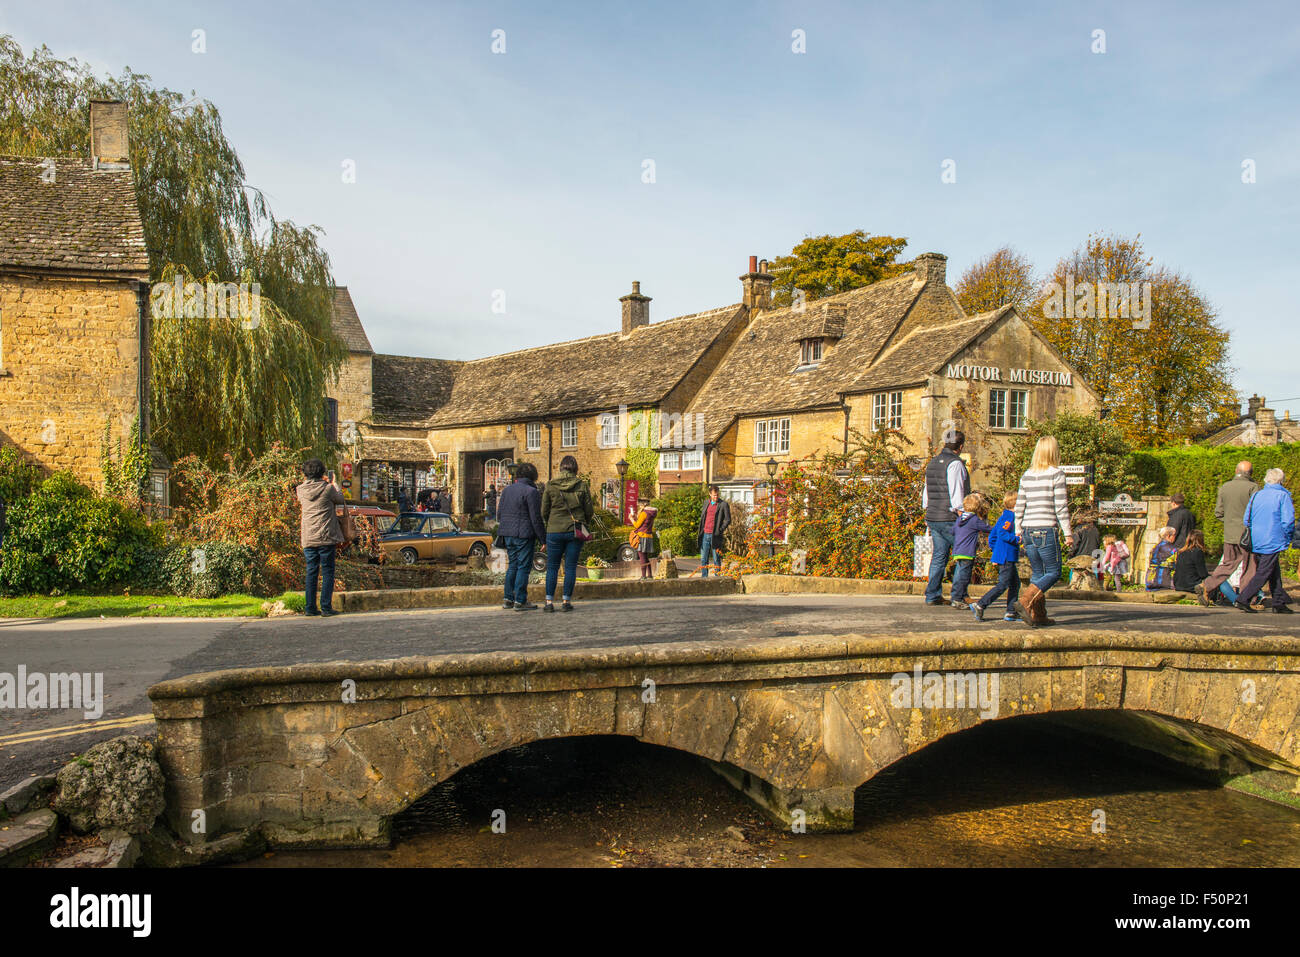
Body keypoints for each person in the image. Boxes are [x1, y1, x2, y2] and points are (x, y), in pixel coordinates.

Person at [1012, 435, 1073, 626]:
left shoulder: (1027, 475)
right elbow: (1061, 507)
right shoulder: (1057, 474)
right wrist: (1068, 533)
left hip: (1029, 530)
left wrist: (1018, 528)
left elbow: (1020, 505)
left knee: (1038, 573)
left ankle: (1039, 615)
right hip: (1046, 528)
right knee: (1054, 572)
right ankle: (1025, 601)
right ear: (1054, 452)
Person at [1233, 467, 1295, 614]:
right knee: (1264, 572)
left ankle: (1278, 602)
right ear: (1281, 480)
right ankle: (1243, 599)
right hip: (1273, 539)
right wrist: (1287, 537)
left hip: (1257, 538)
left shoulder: (1257, 495)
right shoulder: (1282, 496)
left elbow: (1246, 519)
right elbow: (1288, 521)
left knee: (1273, 571)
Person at [1199, 461, 1259, 606]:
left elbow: (1218, 513)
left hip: (1229, 534)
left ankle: (1206, 585)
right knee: (1249, 567)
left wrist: (1230, 522)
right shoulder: (1253, 487)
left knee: (1228, 563)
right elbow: (1256, 512)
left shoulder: (1225, 486)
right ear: (1250, 473)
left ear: (1235, 470)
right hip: (1247, 535)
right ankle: (1247, 598)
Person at [922, 430, 970, 606]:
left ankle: (932, 594)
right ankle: (959, 595)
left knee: (939, 557)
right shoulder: (955, 464)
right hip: (950, 517)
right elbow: (956, 494)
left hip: (933, 515)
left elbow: (926, 491)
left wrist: (927, 510)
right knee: (964, 557)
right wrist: (964, 516)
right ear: (961, 446)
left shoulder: (933, 463)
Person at [540, 455, 594, 612]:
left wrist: (549, 522)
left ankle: (549, 602)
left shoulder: (550, 485)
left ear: (561, 468)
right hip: (574, 531)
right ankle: (565, 602)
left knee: (552, 567)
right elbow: (589, 511)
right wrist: (584, 522)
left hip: (554, 531)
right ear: (575, 469)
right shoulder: (582, 485)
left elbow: (544, 511)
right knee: (570, 567)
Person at [297, 459, 345, 617]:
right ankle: (326, 607)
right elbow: (340, 499)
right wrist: (335, 484)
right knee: (328, 571)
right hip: (326, 536)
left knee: (311, 571)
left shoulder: (300, 490)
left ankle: (310, 608)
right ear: (322, 472)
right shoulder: (328, 488)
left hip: (309, 536)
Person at [496, 462, 546, 610]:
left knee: (512, 565)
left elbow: (499, 514)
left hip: (507, 533)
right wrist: (543, 539)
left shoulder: (507, 490)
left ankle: (508, 599)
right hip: (524, 534)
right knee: (523, 567)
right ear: (533, 476)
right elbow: (535, 518)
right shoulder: (531, 492)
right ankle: (520, 600)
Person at [973, 491, 1022, 622]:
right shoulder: (1010, 517)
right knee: (1003, 584)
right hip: (1008, 555)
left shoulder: (1003, 516)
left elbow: (993, 537)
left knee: (1015, 583)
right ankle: (981, 604)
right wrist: (1017, 539)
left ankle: (1011, 611)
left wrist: (996, 552)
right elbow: (1002, 533)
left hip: (1004, 554)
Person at [949, 493, 992, 610]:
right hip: (967, 552)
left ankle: (959, 596)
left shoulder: (959, 519)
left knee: (959, 574)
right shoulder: (974, 520)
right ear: (978, 507)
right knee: (964, 576)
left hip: (958, 550)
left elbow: (952, 531)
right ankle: (957, 598)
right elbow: (988, 529)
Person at [698, 485, 732, 577]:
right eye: (714, 495)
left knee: (716, 559)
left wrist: (720, 530)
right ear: (710, 494)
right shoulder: (706, 503)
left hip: (715, 535)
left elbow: (728, 519)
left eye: (717, 495)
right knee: (703, 559)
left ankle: (717, 578)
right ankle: (704, 578)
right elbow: (703, 518)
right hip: (705, 534)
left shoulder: (723, 504)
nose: (716, 497)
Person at [1173, 529, 1210, 594]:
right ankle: (1232, 600)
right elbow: (1202, 574)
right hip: (1191, 585)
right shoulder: (1197, 552)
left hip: (1178, 584)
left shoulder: (1181, 552)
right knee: (1219, 580)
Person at [630, 504, 659, 579]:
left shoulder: (644, 513)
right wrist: (636, 518)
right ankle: (650, 575)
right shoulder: (652, 513)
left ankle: (643, 576)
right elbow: (644, 524)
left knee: (642, 557)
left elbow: (636, 526)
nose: (639, 505)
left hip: (642, 537)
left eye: (639, 504)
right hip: (649, 537)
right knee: (645, 557)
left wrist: (631, 519)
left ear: (643, 505)